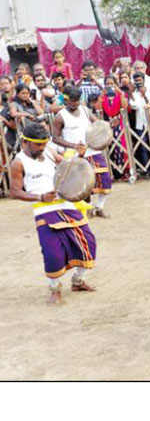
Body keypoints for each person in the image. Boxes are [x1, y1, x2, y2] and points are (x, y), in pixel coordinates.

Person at [9, 122, 98, 304]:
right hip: (44, 209)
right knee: (53, 253)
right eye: (38, 145)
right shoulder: (18, 163)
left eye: (44, 144)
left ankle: (78, 281)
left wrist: (79, 156)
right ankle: (55, 288)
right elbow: (15, 192)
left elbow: (67, 165)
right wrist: (40, 197)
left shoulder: (48, 151)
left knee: (87, 242)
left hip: (67, 204)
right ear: (25, 141)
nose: (41, 148)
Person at [52, 85, 113, 218]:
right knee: (82, 183)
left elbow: (97, 125)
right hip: (75, 154)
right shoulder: (60, 117)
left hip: (92, 151)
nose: (76, 103)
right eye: (73, 100)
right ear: (66, 99)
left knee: (105, 179)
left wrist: (106, 126)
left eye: (78, 100)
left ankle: (100, 207)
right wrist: (74, 146)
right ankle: (88, 208)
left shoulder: (85, 110)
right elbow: (55, 138)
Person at [100, 75, 131, 181]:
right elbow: (99, 108)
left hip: (120, 122)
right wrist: (101, 96)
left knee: (122, 147)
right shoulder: (103, 97)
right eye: (107, 84)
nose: (109, 86)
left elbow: (125, 106)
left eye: (111, 83)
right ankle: (114, 172)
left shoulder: (120, 94)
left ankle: (126, 171)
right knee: (110, 148)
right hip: (108, 124)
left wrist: (120, 93)